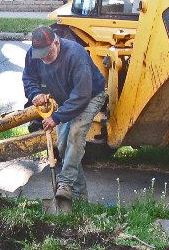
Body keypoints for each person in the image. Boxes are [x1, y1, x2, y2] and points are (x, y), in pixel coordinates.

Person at [23, 26, 107, 202]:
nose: (44, 58)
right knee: (62, 146)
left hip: (90, 96)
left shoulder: (76, 55)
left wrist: (56, 118)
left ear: (56, 42)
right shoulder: (33, 54)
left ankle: (65, 183)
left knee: (75, 135)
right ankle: (80, 194)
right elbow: (29, 77)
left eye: (47, 53)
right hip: (66, 98)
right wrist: (35, 94)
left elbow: (82, 96)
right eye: (41, 55)